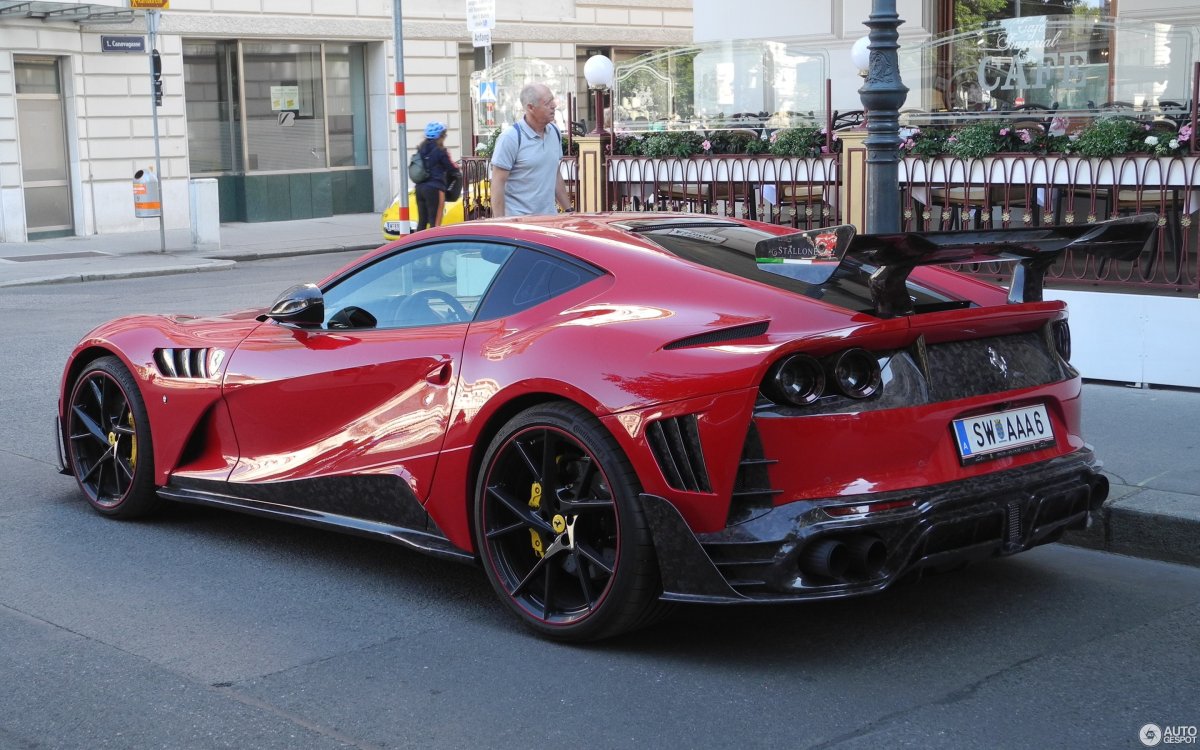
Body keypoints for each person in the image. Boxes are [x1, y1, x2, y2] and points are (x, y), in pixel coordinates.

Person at [489, 82, 573, 217]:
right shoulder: (511, 138)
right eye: (547, 102)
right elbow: (497, 184)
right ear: (530, 107)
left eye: (553, 100)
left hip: (548, 221)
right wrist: (500, 223)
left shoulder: (554, 132)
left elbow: (555, 174)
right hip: (519, 224)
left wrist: (569, 211)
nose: (554, 105)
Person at [414, 121, 459, 231]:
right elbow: (451, 168)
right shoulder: (440, 151)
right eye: (444, 135)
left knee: (422, 222)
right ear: (440, 136)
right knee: (435, 223)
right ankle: (433, 247)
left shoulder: (420, 149)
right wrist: (457, 168)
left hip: (420, 189)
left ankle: (419, 246)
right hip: (435, 188)